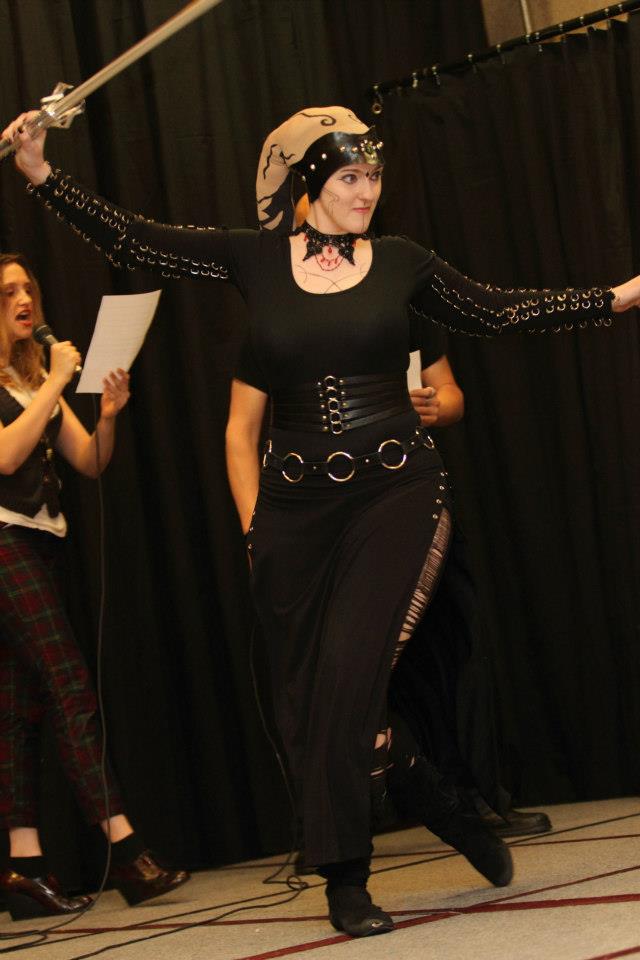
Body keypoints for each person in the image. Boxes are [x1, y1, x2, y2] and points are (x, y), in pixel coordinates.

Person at [2, 105, 638, 939]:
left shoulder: (402, 261)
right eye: (349, 177)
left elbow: (497, 310)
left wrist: (617, 297)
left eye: (374, 177)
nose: (367, 191)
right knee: (308, 702)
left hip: (395, 492)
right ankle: (423, 784)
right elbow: (138, 240)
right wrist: (42, 174)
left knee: (346, 675)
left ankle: (347, 877)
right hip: (295, 510)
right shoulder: (256, 259)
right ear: (310, 184)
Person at [0, 253, 189, 919]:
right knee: (68, 682)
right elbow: (6, 456)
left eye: (28, 287)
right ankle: (126, 848)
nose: (24, 299)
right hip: (3, 540)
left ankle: (23, 869)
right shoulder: (42, 379)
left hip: (38, 541)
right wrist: (58, 379)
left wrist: (107, 415)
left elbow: (90, 461)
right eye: (8, 292)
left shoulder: (31, 379)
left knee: (18, 705)